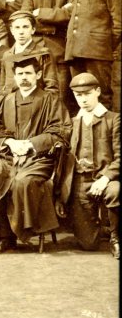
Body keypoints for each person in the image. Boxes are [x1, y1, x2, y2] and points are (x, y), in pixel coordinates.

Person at [0, 52, 71, 252]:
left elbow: (61, 132)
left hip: (38, 158)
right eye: (19, 74)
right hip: (8, 155)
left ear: (38, 75)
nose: (24, 78)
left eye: (28, 73)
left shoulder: (50, 100)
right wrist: (8, 142)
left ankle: (20, 233)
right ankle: (3, 236)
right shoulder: (5, 101)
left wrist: (31, 144)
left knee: (22, 182)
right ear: (14, 76)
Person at [61, 73, 119, 257]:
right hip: (80, 180)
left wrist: (105, 178)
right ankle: (102, 229)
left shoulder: (113, 119)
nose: (83, 99)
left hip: (107, 179)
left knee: (115, 191)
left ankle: (116, 237)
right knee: (88, 244)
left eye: (87, 93)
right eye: (79, 95)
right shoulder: (72, 122)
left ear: (98, 92)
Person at [64, 0, 121, 110]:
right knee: (80, 94)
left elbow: (119, 23)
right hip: (75, 51)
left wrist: (107, 46)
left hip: (97, 53)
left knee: (100, 95)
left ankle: (104, 134)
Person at [19, 0, 75, 99]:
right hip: (35, 48)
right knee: (35, 96)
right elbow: (26, 17)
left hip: (59, 49)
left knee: (59, 97)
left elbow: (69, 14)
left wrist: (40, 12)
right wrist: (54, 20)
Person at [0, 10, 59, 95]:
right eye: (17, 27)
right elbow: (3, 88)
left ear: (33, 30)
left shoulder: (43, 53)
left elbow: (51, 87)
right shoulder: (7, 55)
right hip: (11, 105)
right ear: (12, 30)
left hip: (36, 103)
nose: (21, 32)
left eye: (25, 27)